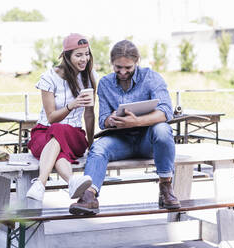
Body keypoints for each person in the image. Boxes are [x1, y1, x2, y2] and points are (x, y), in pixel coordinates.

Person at [69, 39, 180, 215]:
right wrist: (110, 120)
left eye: (128, 68)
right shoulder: (105, 83)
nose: (122, 72)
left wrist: (136, 122)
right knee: (98, 147)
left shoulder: (151, 78)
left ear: (137, 62)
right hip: (120, 141)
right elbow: (102, 120)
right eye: (117, 67)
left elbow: (166, 112)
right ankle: (89, 196)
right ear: (112, 63)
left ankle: (166, 187)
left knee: (163, 129)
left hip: (148, 141)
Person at [26, 33, 97, 202]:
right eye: (78, 55)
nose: (84, 59)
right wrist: (72, 104)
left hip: (74, 136)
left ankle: (40, 184)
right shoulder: (49, 78)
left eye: (86, 54)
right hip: (43, 133)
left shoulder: (90, 76)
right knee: (57, 136)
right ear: (66, 56)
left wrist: (92, 145)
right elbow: (51, 118)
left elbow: (89, 114)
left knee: (59, 132)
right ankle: (72, 181)